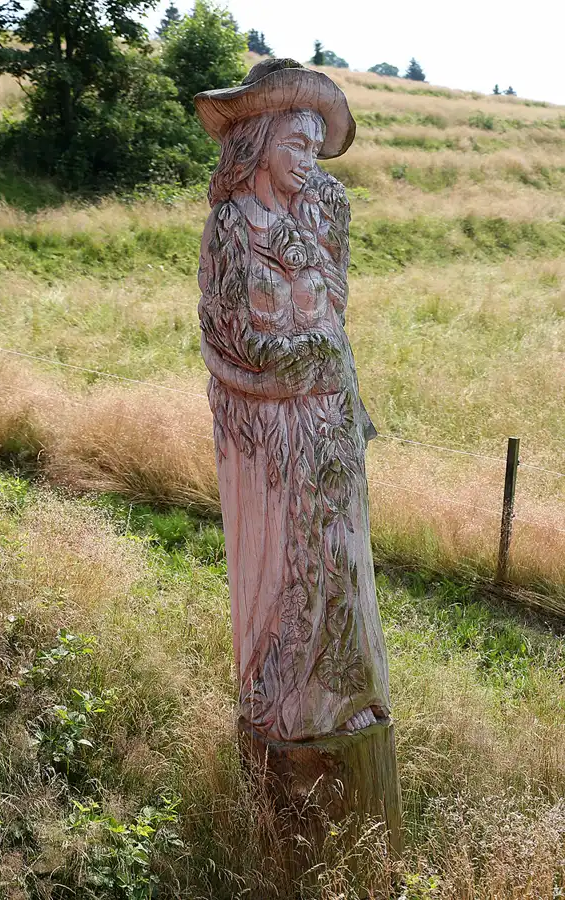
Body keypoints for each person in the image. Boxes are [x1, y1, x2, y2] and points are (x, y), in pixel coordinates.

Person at [195, 58, 390, 743]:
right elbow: (231, 337)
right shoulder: (232, 229)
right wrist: (302, 365)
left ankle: (342, 688)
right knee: (284, 560)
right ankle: (284, 703)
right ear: (259, 142)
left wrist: (322, 366)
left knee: (337, 551)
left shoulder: (318, 218)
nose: (308, 160)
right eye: (295, 145)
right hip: (270, 429)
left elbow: (333, 319)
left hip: (328, 421)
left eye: (315, 147)